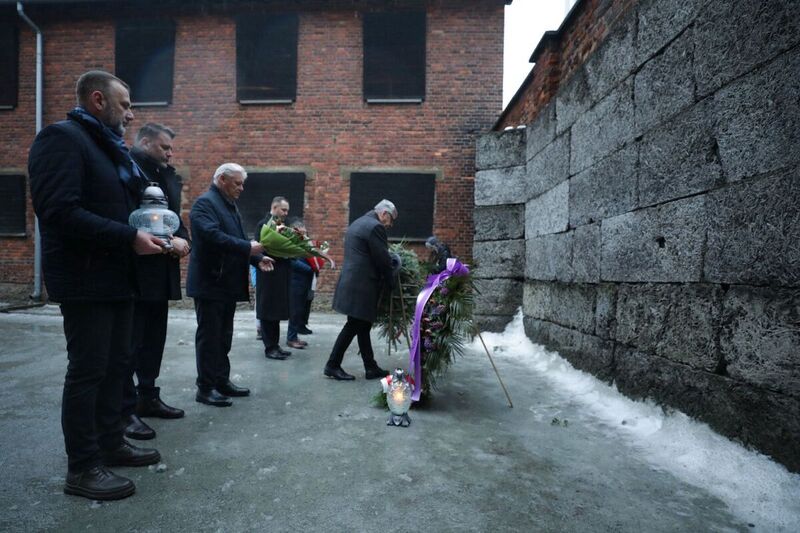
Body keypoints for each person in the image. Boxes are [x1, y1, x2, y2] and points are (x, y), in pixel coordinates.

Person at [28, 70, 165, 501]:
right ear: (97, 100)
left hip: (116, 277)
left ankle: (111, 442)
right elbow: (58, 211)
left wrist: (161, 231)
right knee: (88, 371)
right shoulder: (62, 139)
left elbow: (126, 210)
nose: (130, 114)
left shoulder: (109, 150)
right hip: (84, 278)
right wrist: (130, 238)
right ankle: (83, 467)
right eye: (124, 105)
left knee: (116, 365)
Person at [122, 123, 191, 441]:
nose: (170, 153)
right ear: (145, 142)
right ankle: (125, 411)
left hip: (161, 272)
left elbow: (174, 218)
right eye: (164, 147)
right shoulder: (127, 167)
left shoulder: (166, 175)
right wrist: (168, 243)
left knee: (154, 339)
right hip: (135, 271)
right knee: (130, 343)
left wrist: (183, 240)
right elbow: (130, 220)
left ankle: (147, 395)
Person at [187, 163, 274, 407]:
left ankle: (220, 380)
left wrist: (257, 258)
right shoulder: (205, 204)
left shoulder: (228, 205)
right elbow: (212, 237)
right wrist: (249, 248)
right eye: (237, 183)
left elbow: (235, 240)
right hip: (210, 283)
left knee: (223, 336)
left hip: (225, 283)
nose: (242, 188)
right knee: (209, 337)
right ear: (222, 179)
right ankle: (205, 387)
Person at [323, 199, 397, 381]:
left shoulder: (359, 222)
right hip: (362, 285)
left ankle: (370, 367)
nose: (390, 225)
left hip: (354, 282)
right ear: (384, 214)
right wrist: (391, 280)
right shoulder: (375, 227)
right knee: (354, 325)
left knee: (363, 326)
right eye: (391, 220)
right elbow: (382, 259)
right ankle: (332, 365)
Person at [254, 197, 293, 360]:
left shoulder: (282, 225)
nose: (286, 213)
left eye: (287, 211)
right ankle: (269, 347)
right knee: (268, 310)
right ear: (274, 207)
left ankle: (276, 344)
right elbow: (257, 248)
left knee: (276, 311)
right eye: (283, 210)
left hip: (281, 273)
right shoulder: (262, 225)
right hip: (268, 272)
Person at [286, 218, 313, 350]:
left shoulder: (302, 243)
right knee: (295, 311)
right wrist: (308, 269)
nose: (304, 234)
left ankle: (294, 336)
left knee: (300, 310)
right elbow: (291, 261)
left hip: (304, 281)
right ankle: (291, 338)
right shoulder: (290, 244)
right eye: (301, 232)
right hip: (295, 282)